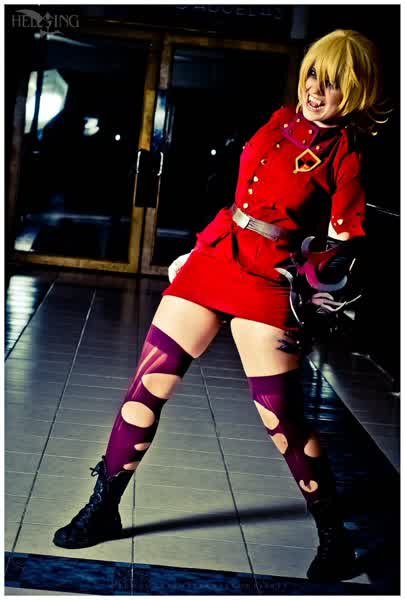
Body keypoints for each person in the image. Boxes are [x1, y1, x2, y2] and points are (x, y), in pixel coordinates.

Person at [53, 30, 388, 582]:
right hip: (216, 260)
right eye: (312, 75)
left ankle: (334, 538)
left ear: (355, 91)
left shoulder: (346, 153)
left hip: (270, 279)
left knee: (281, 417)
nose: (315, 89)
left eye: (331, 83)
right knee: (147, 387)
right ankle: (103, 507)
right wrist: (200, 248)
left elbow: (344, 245)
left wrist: (313, 299)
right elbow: (242, 198)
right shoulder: (279, 119)